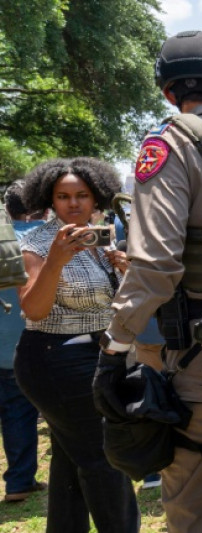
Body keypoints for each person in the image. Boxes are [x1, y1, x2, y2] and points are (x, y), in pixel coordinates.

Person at [91, 30, 202, 532]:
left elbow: (154, 267)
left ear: (169, 92)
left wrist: (113, 346)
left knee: (192, 486)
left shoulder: (167, 146)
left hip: (197, 349)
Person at [14, 158, 138, 532]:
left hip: (96, 357)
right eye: (63, 196)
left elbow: (114, 302)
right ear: (49, 199)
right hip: (54, 360)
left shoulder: (103, 237)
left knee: (72, 463)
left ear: (95, 196)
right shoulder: (36, 243)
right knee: (105, 459)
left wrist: (126, 270)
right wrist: (55, 259)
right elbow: (33, 308)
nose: (73, 204)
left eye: (82, 195)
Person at [0, 181, 46, 503]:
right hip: (32, 345)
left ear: (8, 208)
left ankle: (20, 480)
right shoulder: (51, 239)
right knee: (20, 412)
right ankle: (19, 480)